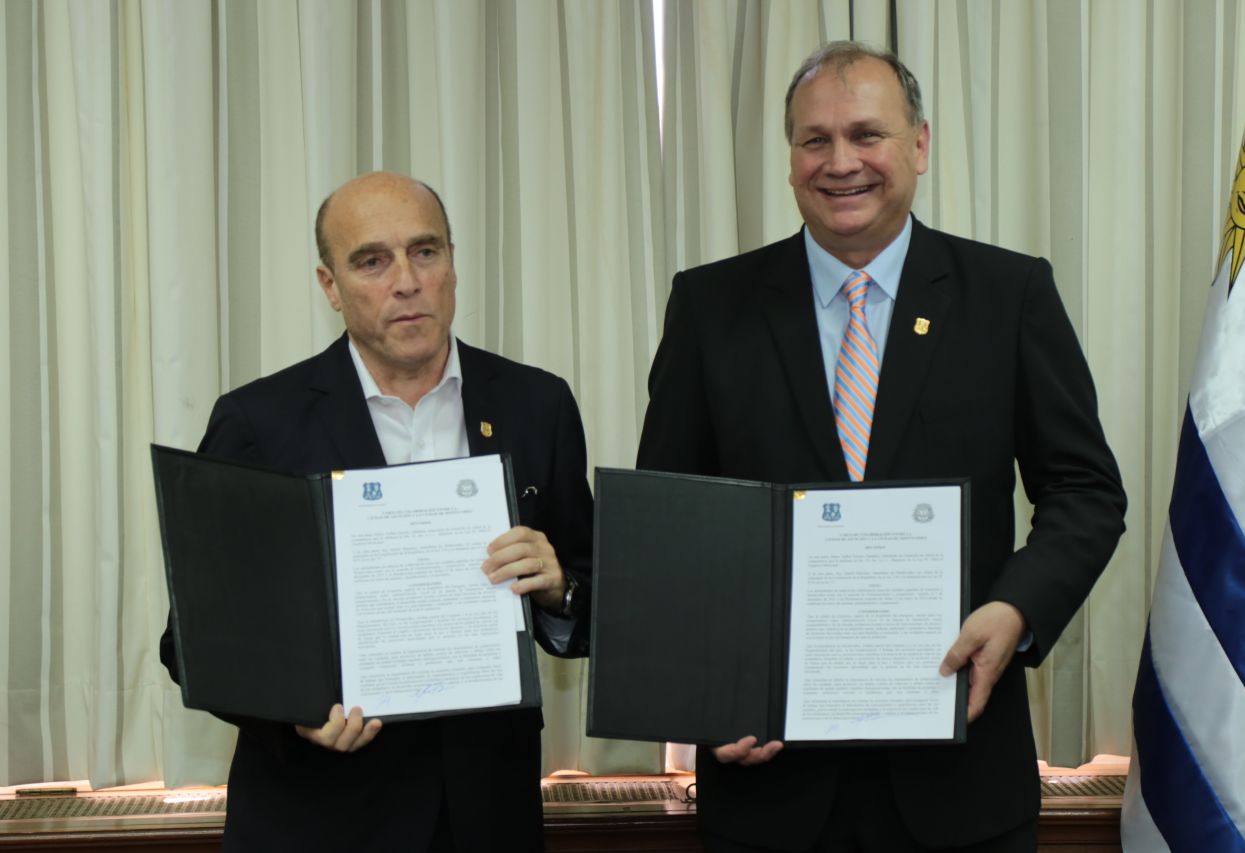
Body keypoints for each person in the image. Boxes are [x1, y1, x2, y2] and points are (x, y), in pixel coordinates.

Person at [636, 41, 1126, 852]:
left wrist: (1015, 610)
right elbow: (668, 523)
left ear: (919, 145)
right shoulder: (710, 306)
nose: (841, 163)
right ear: (790, 158)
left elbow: (1085, 491)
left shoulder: (1008, 295)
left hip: (961, 787)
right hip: (770, 790)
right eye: (815, 140)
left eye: (867, 134)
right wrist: (705, 695)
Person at [159, 171, 593, 851]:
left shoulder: (537, 405)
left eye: (425, 252)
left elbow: (596, 596)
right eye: (371, 261)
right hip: (318, 818)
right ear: (330, 286)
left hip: (485, 816)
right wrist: (295, 714)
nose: (407, 281)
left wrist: (560, 586)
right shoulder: (258, 424)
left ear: (453, 263)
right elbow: (192, 642)